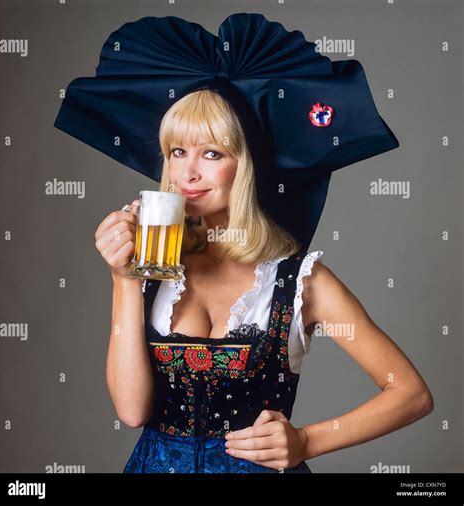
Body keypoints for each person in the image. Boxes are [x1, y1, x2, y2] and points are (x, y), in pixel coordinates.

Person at [94, 89, 434, 473]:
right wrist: (123, 279)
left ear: (246, 165)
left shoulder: (299, 280)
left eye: (211, 153)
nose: (187, 173)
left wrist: (307, 440)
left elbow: (411, 394)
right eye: (177, 152)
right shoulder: (151, 268)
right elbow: (132, 411)